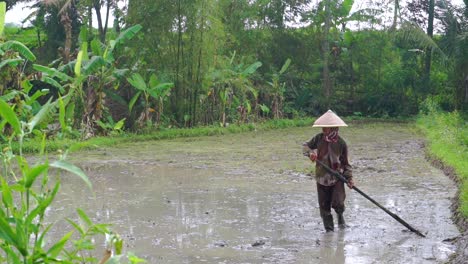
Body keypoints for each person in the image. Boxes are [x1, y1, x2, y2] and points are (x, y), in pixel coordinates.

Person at [302, 110, 354, 232]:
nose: (324, 130)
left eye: (327, 128)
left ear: (334, 128)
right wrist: (311, 153)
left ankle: (340, 217)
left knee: (338, 202)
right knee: (324, 207)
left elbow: (346, 164)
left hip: (337, 178)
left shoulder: (341, 143)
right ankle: (329, 231)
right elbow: (305, 146)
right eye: (323, 128)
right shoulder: (318, 139)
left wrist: (350, 178)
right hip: (321, 178)